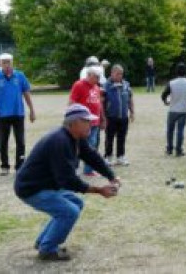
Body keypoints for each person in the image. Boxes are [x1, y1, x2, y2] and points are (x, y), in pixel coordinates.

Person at [14, 104, 121, 261]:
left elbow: (92, 157)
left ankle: (44, 242)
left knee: (76, 203)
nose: (91, 124)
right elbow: (67, 180)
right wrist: (99, 190)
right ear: (73, 123)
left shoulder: (76, 138)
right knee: (69, 211)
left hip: (47, 185)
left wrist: (111, 176)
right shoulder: (60, 141)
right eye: (86, 121)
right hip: (31, 188)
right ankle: (48, 250)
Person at [0, 53, 36, 175]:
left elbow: (26, 93)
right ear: (0, 63)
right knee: (3, 142)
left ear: (12, 62)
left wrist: (32, 110)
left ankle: (20, 165)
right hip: (3, 115)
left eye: (8, 62)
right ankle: (4, 166)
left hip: (18, 113)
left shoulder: (20, 76)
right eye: (4, 62)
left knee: (20, 141)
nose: (7, 65)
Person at [69, 66, 107, 177]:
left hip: (94, 122)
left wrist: (103, 118)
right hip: (81, 122)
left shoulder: (96, 87)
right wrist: (72, 119)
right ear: (89, 75)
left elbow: (99, 104)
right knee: (76, 146)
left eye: (99, 77)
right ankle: (73, 168)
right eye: (96, 77)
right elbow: (72, 102)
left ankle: (88, 170)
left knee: (92, 146)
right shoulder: (79, 85)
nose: (98, 79)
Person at [102, 64, 135, 166]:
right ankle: (108, 156)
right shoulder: (105, 86)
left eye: (121, 74)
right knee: (109, 137)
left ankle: (120, 156)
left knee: (122, 137)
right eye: (117, 74)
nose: (120, 76)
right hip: (110, 116)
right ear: (112, 73)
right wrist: (103, 117)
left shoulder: (126, 85)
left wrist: (132, 112)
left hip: (123, 116)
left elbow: (130, 99)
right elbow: (101, 103)